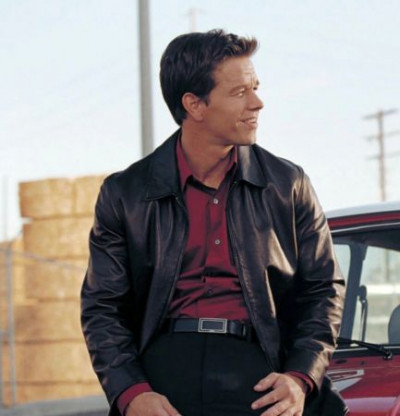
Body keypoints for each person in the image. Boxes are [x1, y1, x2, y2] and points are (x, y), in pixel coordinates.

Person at [81, 29, 346, 416]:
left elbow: (324, 289)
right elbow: (102, 306)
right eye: (239, 92)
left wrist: (300, 376)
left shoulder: (288, 184)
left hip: (262, 363)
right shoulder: (125, 193)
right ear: (194, 105)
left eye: (255, 88)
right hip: (163, 368)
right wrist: (131, 393)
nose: (257, 103)